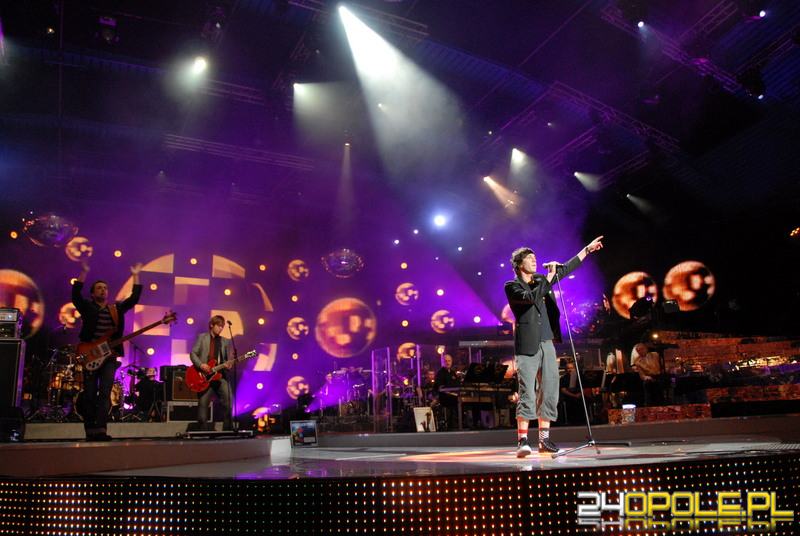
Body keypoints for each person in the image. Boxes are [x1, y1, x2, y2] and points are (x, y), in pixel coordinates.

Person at [505, 236, 604, 457]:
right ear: (519, 264)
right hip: (527, 345)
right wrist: (548, 277)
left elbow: (566, 268)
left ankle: (544, 440)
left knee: (550, 390)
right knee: (527, 391)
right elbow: (531, 298)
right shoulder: (512, 286)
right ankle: (523, 441)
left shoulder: (542, 279)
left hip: (547, 342)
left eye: (535, 258)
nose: (535, 261)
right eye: (529, 258)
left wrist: (587, 250)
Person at [72, 260, 143, 441]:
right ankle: (90, 431)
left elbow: (134, 299)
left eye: (105, 288)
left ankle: (101, 430)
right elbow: (75, 295)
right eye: (99, 288)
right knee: (89, 395)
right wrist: (84, 272)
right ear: (93, 293)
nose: (103, 290)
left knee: (105, 393)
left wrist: (136, 275)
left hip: (110, 357)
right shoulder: (87, 307)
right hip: (90, 355)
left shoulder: (116, 309)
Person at [190, 315, 234, 430]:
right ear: (211, 325)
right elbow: (193, 354)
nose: (221, 328)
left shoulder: (225, 341)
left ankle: (228, 429)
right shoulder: (202, 337)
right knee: (203, 404)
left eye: (222, 326)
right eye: (218, 326)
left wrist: (229, 364)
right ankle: (202, 432)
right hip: (204, 376)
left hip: (220, 375)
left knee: (229, 401)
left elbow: (227, 359)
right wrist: (201, 365)